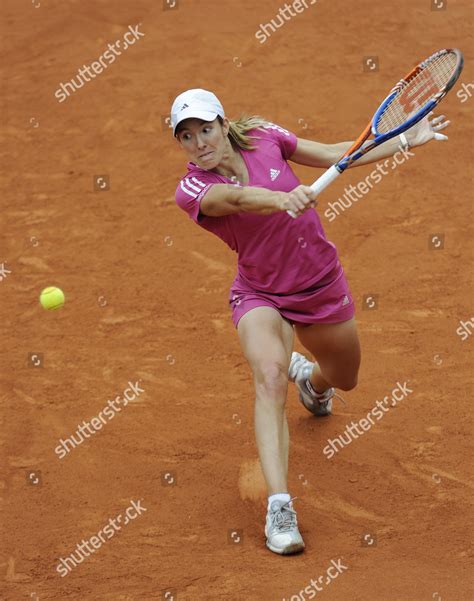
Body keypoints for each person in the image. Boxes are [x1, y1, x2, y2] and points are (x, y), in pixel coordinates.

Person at [171, 88, 449, 555]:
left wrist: (403, 139)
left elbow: (333, 153)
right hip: (260, 293)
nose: (199, 142)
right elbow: (237, 200)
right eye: (186, 136)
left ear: (221, 124)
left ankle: (315, 384)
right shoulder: (192, 189)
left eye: (205, 129)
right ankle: (280, 507)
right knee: (269, 376)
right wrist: (281, 201)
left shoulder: (262, 135)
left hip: (320, 285)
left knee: (346, 377)